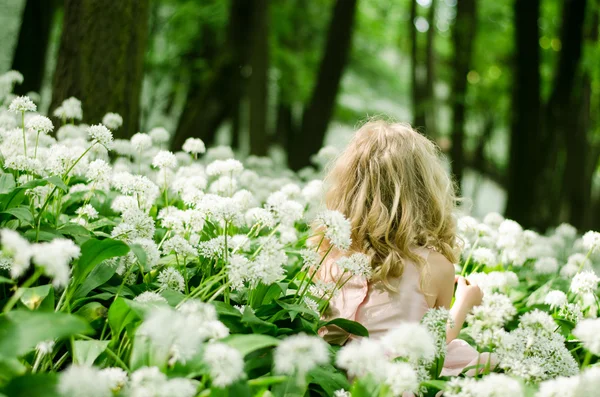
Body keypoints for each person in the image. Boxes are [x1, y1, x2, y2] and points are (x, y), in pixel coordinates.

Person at [316, 119, 493, 376]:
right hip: (397, 382)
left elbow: (326, 333)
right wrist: (464, 302)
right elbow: (434, 345)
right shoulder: (436, 266)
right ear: (426, 191)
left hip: (338, 378)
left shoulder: (332, 255)